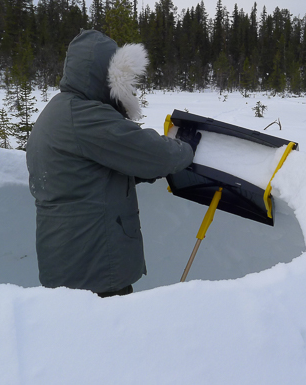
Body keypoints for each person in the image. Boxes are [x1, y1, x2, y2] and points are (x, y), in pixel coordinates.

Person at [26, 30, 198, 297]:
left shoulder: (62, 109)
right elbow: (152, 153)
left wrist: (141, 172)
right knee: (107, 335)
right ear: (103, 75)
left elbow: (94, 172)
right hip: (93, 267)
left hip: (70, 259)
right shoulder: (85, 117)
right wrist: (187, 148)